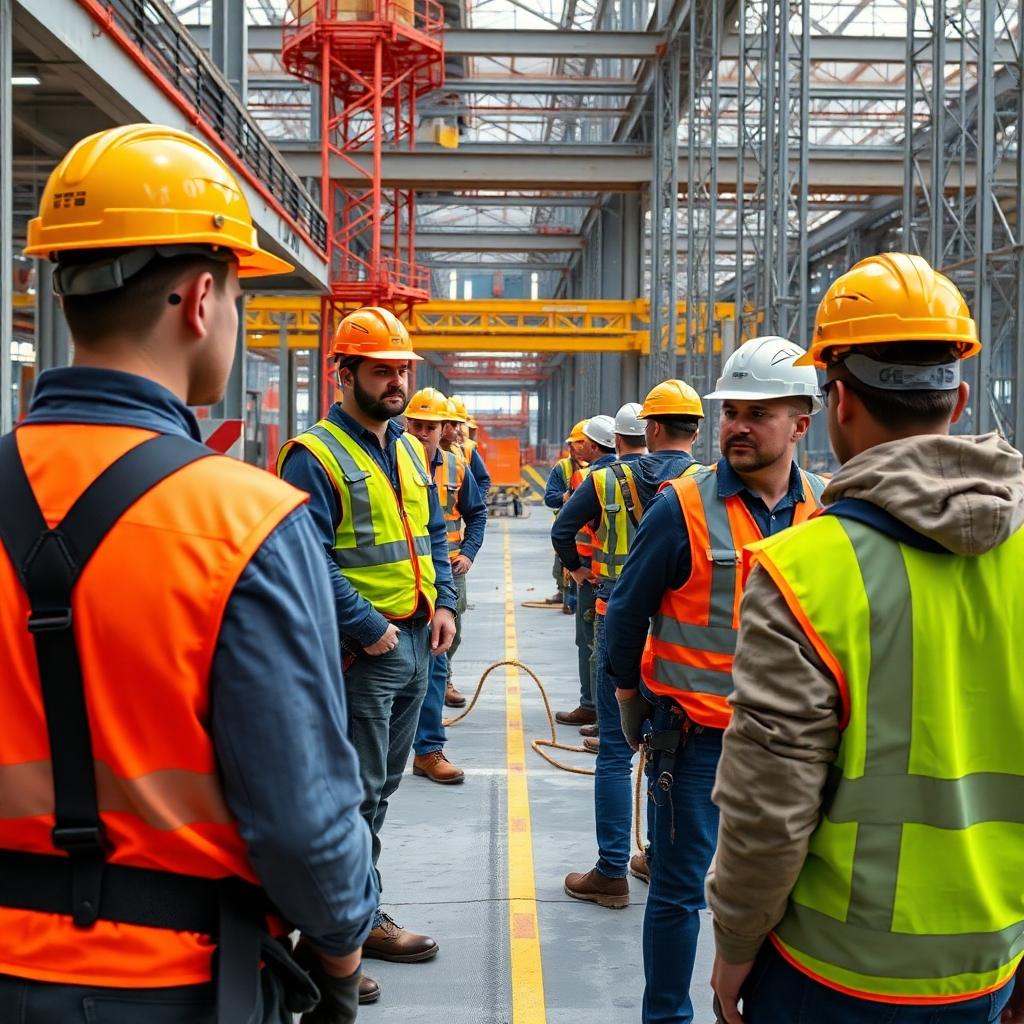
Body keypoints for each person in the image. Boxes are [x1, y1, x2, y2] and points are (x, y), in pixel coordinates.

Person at [0, 124, 376, 1024]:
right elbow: (303, 825)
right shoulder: (245, 521)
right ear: (202, 299)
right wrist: (339, 954)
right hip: (172, 985)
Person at [708, 254, 1024, 1024]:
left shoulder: (802, 571)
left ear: (839, 399)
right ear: (960, 396)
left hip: (837, 972)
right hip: (993, 959)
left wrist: (734, 949)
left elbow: (769, 808)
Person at [606, 337, 826, 1024]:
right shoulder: (681, 508)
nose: (738, 424)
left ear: (802, 422)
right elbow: (626, 618)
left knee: (786, 892)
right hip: (696, 743)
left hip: (792, 746)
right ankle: (667, 1017)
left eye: (759, 412)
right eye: (731, 410)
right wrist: (629, 704)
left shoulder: (826, 510)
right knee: (677, 894)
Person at [278, 307, 458, 986]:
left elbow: (432, 531)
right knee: (348, 797)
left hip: (414, 641)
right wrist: (367, 626)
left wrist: (445, 603)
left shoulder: (410, 447)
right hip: (364, 653)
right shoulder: (314, 456)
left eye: (403, 370)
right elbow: (308, 559)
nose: (395, 382)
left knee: (376, 793)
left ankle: (351, 923)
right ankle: (334, 943)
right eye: (381, 369)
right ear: (344, 371)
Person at [558, 383, 704, 908]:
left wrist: (582, 575)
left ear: (652, 427)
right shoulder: (704, 485)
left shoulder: (604, 480)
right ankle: (661, 863)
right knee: (673, 750)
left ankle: (612, 871)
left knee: (617, 755)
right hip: (680, 636)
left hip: (615, 620)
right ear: (698, 429)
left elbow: (562, 529)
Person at [405, 391, 488, 784]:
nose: (422, 434)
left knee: (436, 659)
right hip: (398, 576)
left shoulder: (456, 467)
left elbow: (476, 511)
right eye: (416, 426)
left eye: (431, 427)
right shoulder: (386, 462)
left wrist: (468, 552)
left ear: (445, 430)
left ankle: (428, 750)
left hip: (442, 576)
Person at [554, 414, 618, 727]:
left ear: (592, 446)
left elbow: (562, 528)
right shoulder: (633, 474)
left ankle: (593, 706)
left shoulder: (587, 478)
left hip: (593, 573)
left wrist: (576, 568)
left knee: (591, 642)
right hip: (624, 573)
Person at [544, 419, 591, 610]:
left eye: (578, 442)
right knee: (564, 567)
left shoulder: (604, 468)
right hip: (569, 531)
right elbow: (549, 498)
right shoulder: (563, 468)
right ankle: (565, 595)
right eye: (572, 443)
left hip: (592, 535)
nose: (573, 447)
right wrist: (565, 497)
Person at [449, 395, 491, 496]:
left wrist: (474, 505)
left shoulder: (469, 448)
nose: (458, 429)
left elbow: (483, 481)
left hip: (457, 511)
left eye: (460, 424)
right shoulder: (431, 446)